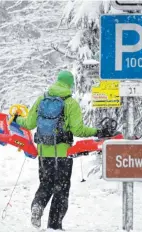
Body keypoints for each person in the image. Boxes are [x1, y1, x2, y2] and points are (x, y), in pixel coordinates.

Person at [14, 70, 108, 230]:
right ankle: (55, 226)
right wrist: (97, 132)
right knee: (61, 189)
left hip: (44, 152)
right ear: (70, 85)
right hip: (63, 154)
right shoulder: (70, 103)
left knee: (46, 184)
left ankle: (37, 205)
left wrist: (16, 119)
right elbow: (78, 130)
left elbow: (29, 124)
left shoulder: (41, 99)